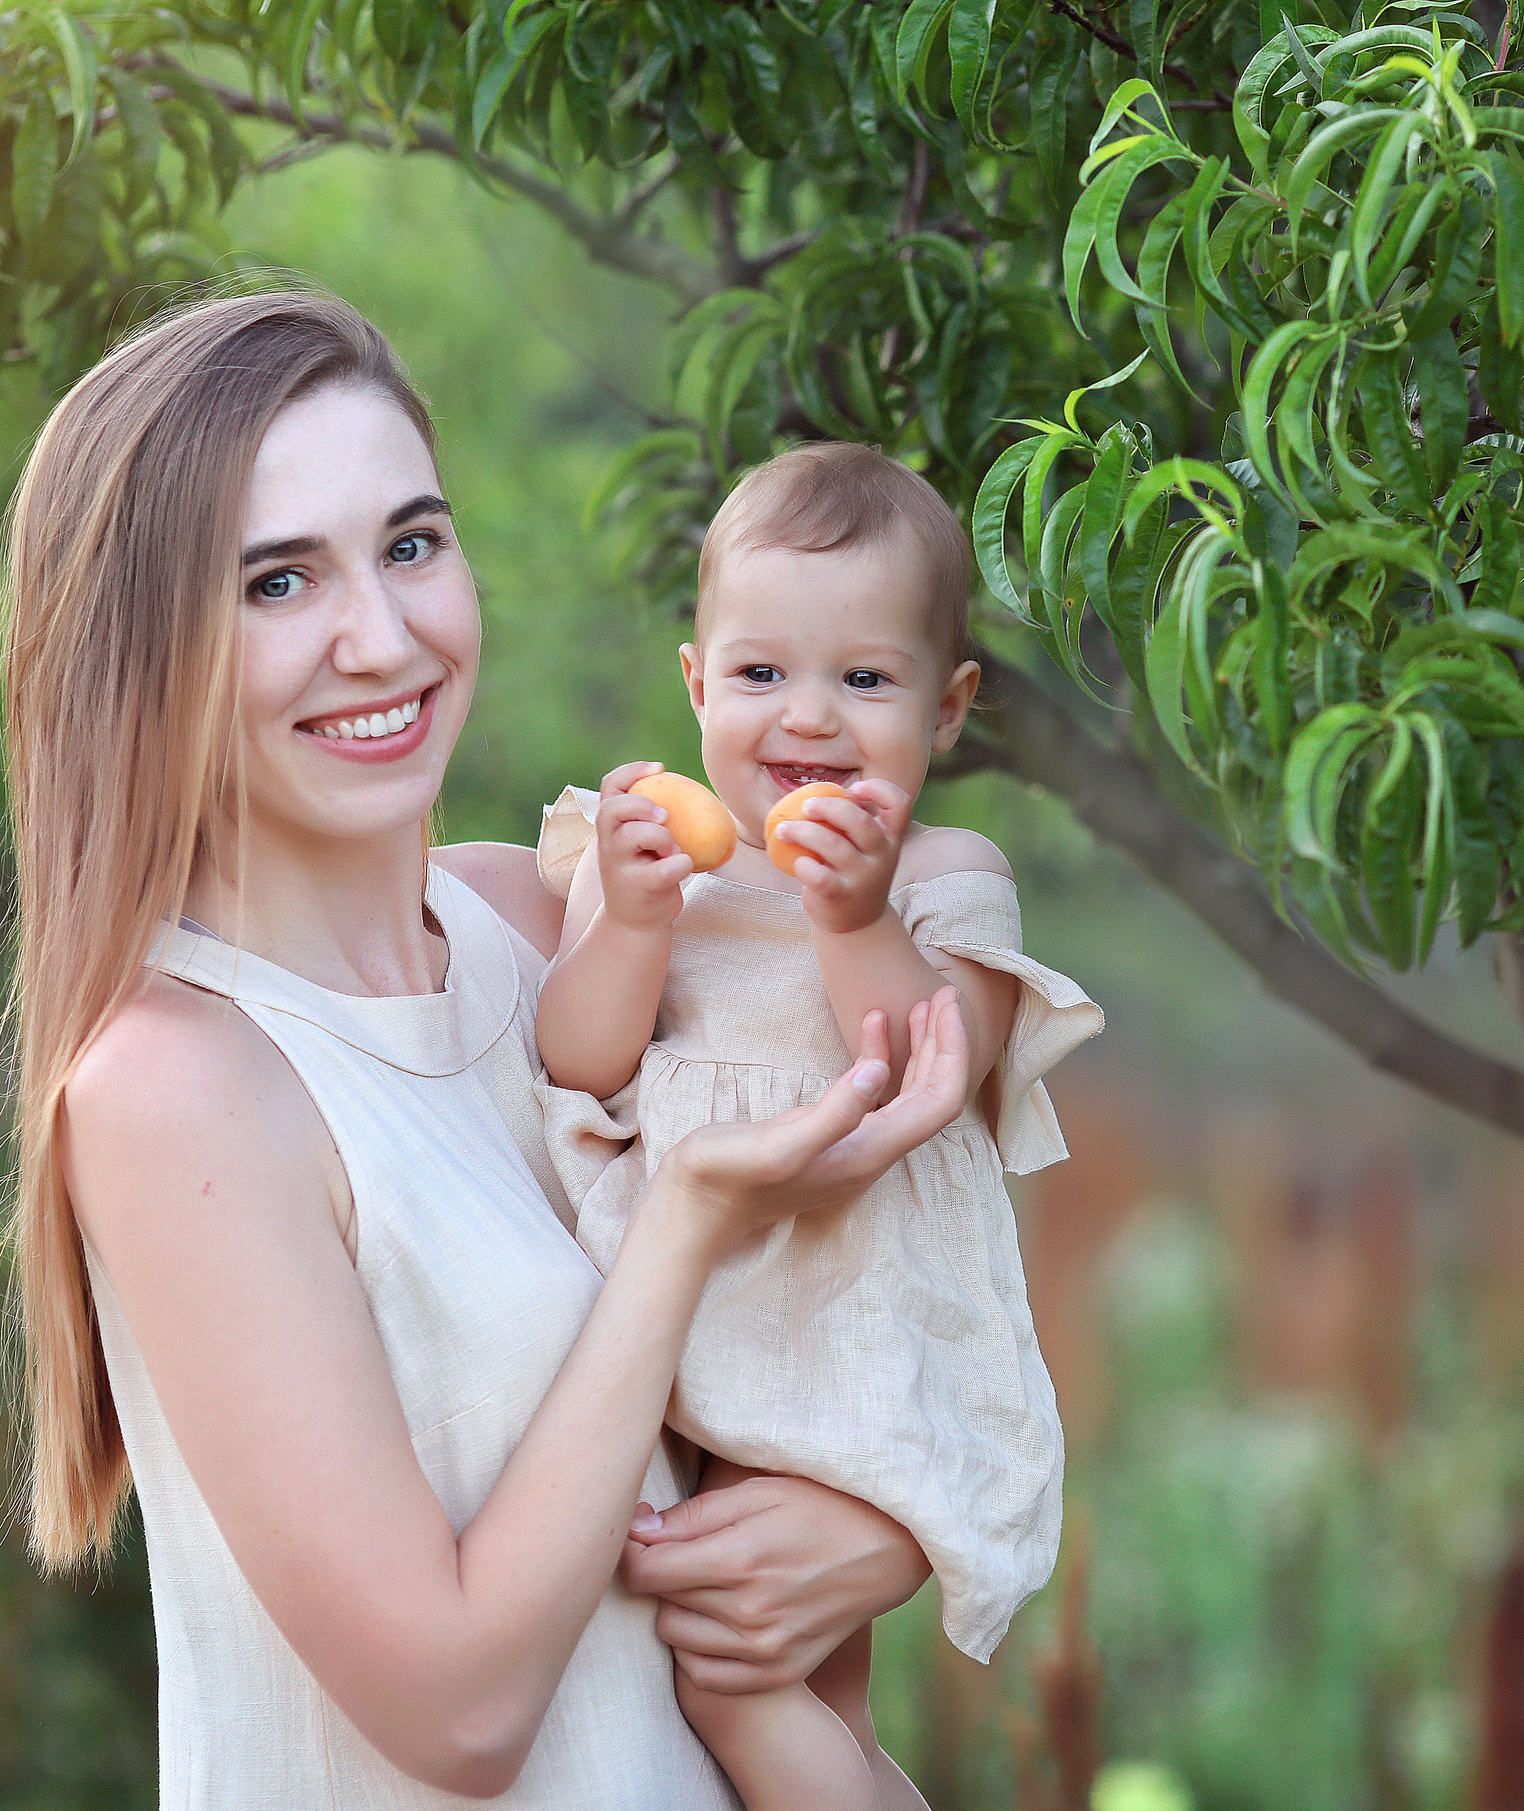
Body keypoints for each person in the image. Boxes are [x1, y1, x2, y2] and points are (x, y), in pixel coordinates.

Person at [0, 289, 969, 1808]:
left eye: (411, 545)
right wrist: (688, 1223)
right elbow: (458, 1714)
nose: (382, 639)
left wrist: (879, 1531)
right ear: (143, 647)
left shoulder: (558, 923)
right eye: (277, 583)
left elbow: (863, 1299)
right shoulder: (179, 1084)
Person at [535, 443, 1103, 1808]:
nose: (808, 718)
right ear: (696, 685)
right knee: (807, 1701)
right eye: (760, 674)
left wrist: (850, 917)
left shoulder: (943, 875)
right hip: (689, 1311)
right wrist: (633, 921)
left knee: (735, 1677)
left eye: (864, 679)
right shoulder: (646, 861)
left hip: (849, 1315)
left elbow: (925, 1070)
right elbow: (578, 1059)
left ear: (947, 707)